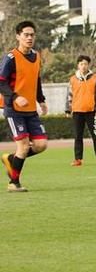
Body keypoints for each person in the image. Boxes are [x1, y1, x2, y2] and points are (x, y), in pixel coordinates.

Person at [0, 21, 48, 192]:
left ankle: (11, 159)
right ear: (18, 36)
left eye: (32, 35)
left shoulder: (36, 56)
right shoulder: (10, 58)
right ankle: (14, 183)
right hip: (14, 110)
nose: (29, 38)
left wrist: (41, 100)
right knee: (24, 146)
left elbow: (36, 80)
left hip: (30, 110)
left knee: (41, 145)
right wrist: (15, 97)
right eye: (26, 34)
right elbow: (1, 82)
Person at [65, 55, 96, 166]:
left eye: (85, 64)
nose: (83, 66)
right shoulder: (72, 79)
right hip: (77, 111)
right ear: (78, 65)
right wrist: (68, 110)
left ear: (88, 65)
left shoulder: (95, 79)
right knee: (78, 136)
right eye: (81, 64)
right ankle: (78, 159)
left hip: (91, 111)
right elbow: (69, 95)